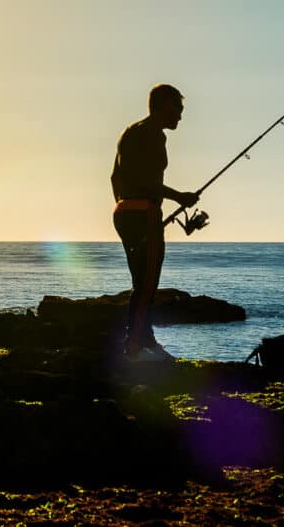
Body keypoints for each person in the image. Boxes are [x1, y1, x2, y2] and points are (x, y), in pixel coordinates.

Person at [111, 83, 199, 362]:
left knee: (141, 281)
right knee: (147, 283)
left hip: (124, 211)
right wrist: (179, 198)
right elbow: (147, 182)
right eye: (179, 109)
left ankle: (144, 340)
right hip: (143, 213)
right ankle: (135, 348)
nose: (181, 116)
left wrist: (127, 205)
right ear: (164, 106)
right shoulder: (154, 135)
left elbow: (116, 177)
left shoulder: (129, 132)